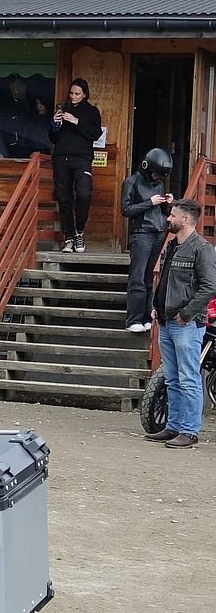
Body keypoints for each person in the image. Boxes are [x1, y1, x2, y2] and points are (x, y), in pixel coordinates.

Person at [145, 198, 216, 448]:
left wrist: (186, 314)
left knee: (188, 378)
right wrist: (156, 307)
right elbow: (164, 280)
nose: (169, 218)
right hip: (167, 321)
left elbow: (210, 286)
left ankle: (189, 430)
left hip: (186, 324)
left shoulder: (202, 249)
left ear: (185, 219)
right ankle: (173, 426)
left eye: (173, 215)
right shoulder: (172, 245)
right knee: (172, 378)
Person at [121, 147, 174, 332]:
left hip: (158, 232)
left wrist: (167, 203)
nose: (156, 177)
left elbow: (161, 211)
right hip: (141, 232)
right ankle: (133, 319)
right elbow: (126, 209)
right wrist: (149, 202)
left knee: (149, 277)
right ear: (147, 167)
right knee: (137, 276)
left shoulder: (158, 185)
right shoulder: (131, 182)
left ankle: (146, 317)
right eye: (155, 173)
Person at [50, 77, 103, 252]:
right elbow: (53, 138)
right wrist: (55, 124)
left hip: (82, 159)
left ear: (84, 94)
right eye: (71, 93)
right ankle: (69, 238)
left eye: (77, 94)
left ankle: (79, 231)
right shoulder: (63, 109)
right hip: (61, 158)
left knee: (83, 194)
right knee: (63, 198)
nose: (73, 96)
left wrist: (76, 121)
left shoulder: (92, 112)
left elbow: (95, 134)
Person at [0, 75, 50, 158]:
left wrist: (43, 114)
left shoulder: (33, 102)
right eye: (13, 87)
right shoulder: (9, 106)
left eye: (18, 86)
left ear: (25, 86)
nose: (16, 90)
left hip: (38, 145)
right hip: (18, 147)